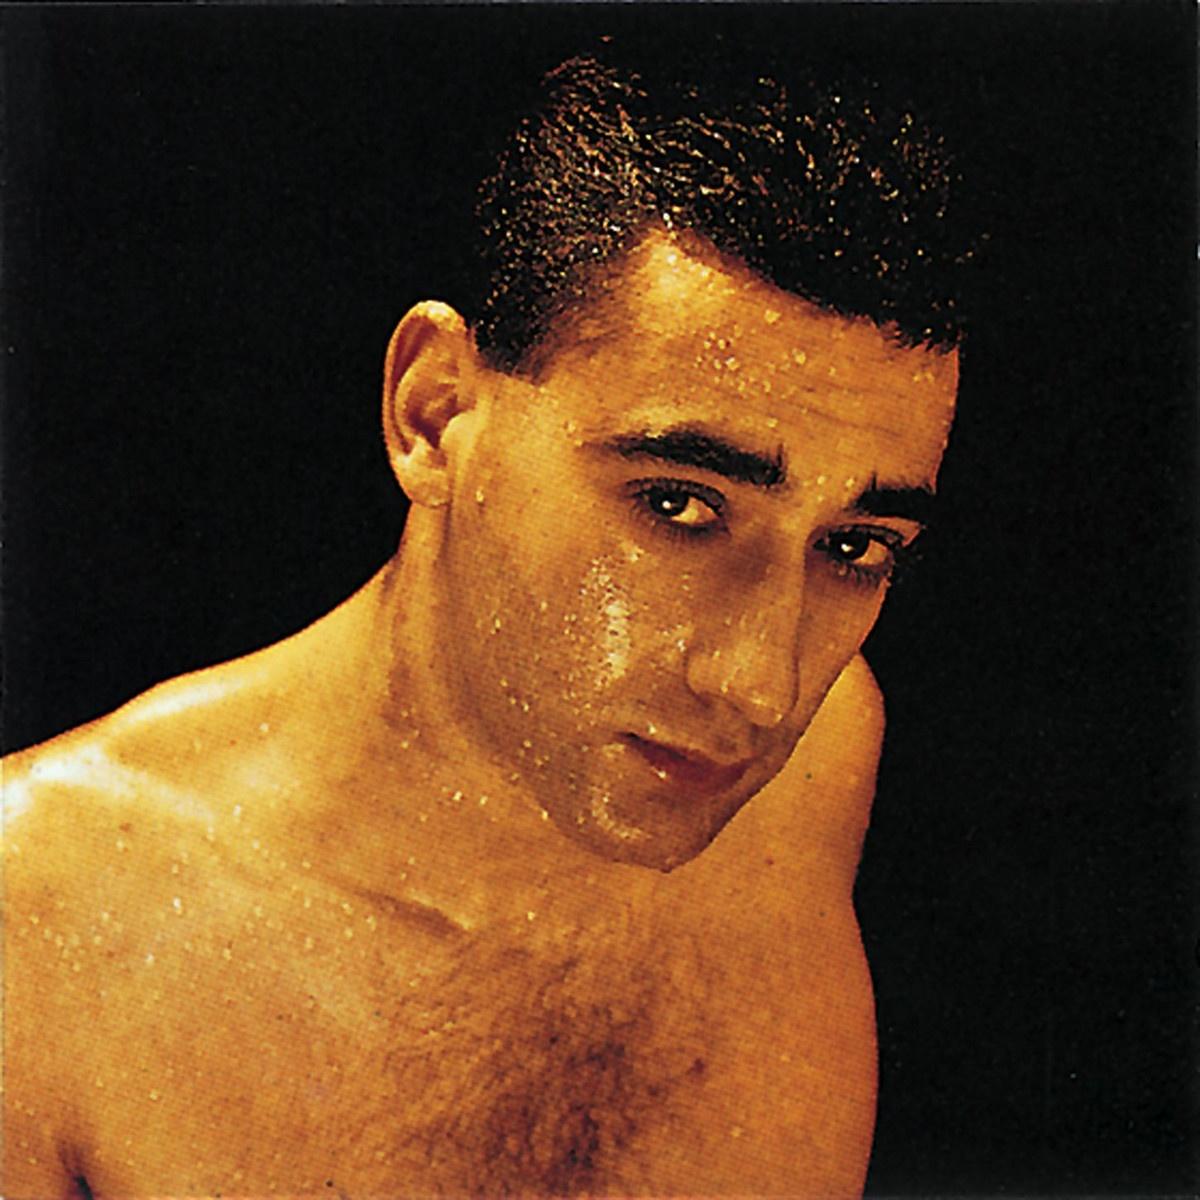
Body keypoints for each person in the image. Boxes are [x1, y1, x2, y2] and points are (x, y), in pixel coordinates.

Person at [2, 49, 972, 1199]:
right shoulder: (41, 929)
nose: (763, 686)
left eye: (854, 548)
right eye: (678, 504)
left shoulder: (812, 767)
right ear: (434, 414)